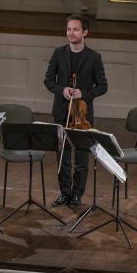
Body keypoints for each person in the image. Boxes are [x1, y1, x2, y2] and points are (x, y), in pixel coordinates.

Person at [44, 14, 108, 209]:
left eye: (75, 29)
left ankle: (77, 193)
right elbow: (48, 80)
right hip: (61, 110)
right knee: (62, 154)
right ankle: (65, 192)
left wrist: (85, 93)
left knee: (81, 154)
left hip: (83, 113)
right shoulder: (58, 53)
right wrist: (62, 90)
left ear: (85, 32)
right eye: (69, 29)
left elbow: (103, 86)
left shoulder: (94, 57)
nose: (71, 33)